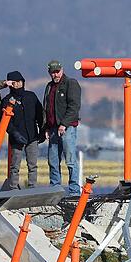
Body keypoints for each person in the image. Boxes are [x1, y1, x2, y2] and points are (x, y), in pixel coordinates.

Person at [0, 71, 45, 190]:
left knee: (33, 165)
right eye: (14, 83)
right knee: (14, 166)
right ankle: (13, 188)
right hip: (16, 138)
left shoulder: (31, 96)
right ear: (10, 85)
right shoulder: (7, 100)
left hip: (32, 136)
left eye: (19, 82)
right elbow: (4, 122)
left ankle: (32, 188)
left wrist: (42, 131)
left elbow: (40, 114)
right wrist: (14, 133)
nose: (17, 85)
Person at [43, 60, 82, 195]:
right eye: (53, 72)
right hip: (53, 129)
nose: (55, 74)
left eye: (57, 71)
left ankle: (74, 190)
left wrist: (64, 124)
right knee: (53, 160)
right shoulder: (49, 87)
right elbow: (46, 108)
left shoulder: (71, 84)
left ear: (62, 70)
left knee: (70, 160)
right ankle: (55, 189)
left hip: (67, 128)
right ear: (49, 73)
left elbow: (74, 107)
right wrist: (46, 127)